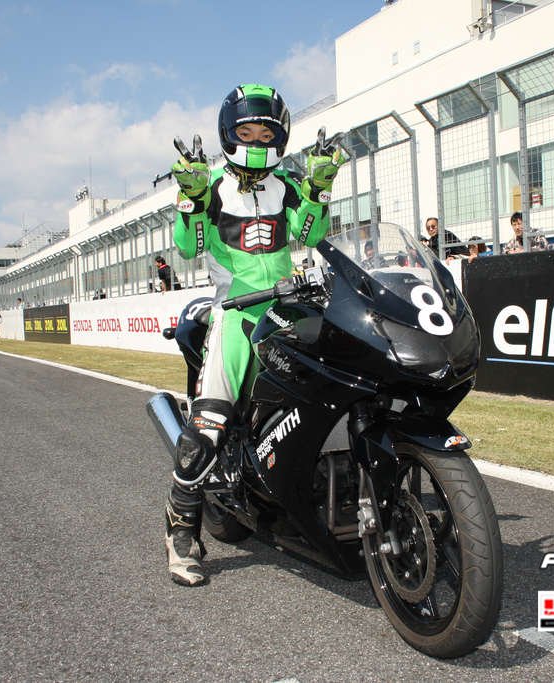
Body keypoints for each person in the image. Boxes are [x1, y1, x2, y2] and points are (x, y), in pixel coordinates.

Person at [165, 83, 345, 586]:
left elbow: (310, 236)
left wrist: (318, 190)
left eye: (267, 133)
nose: (258, 140)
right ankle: (181, 531)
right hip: (236, 313)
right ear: (229, 133)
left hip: (291, 308)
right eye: (248, 132)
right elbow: (189, 248)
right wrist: (191, 201)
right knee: (210, 421)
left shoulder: (288, 183)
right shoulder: (210, 185)